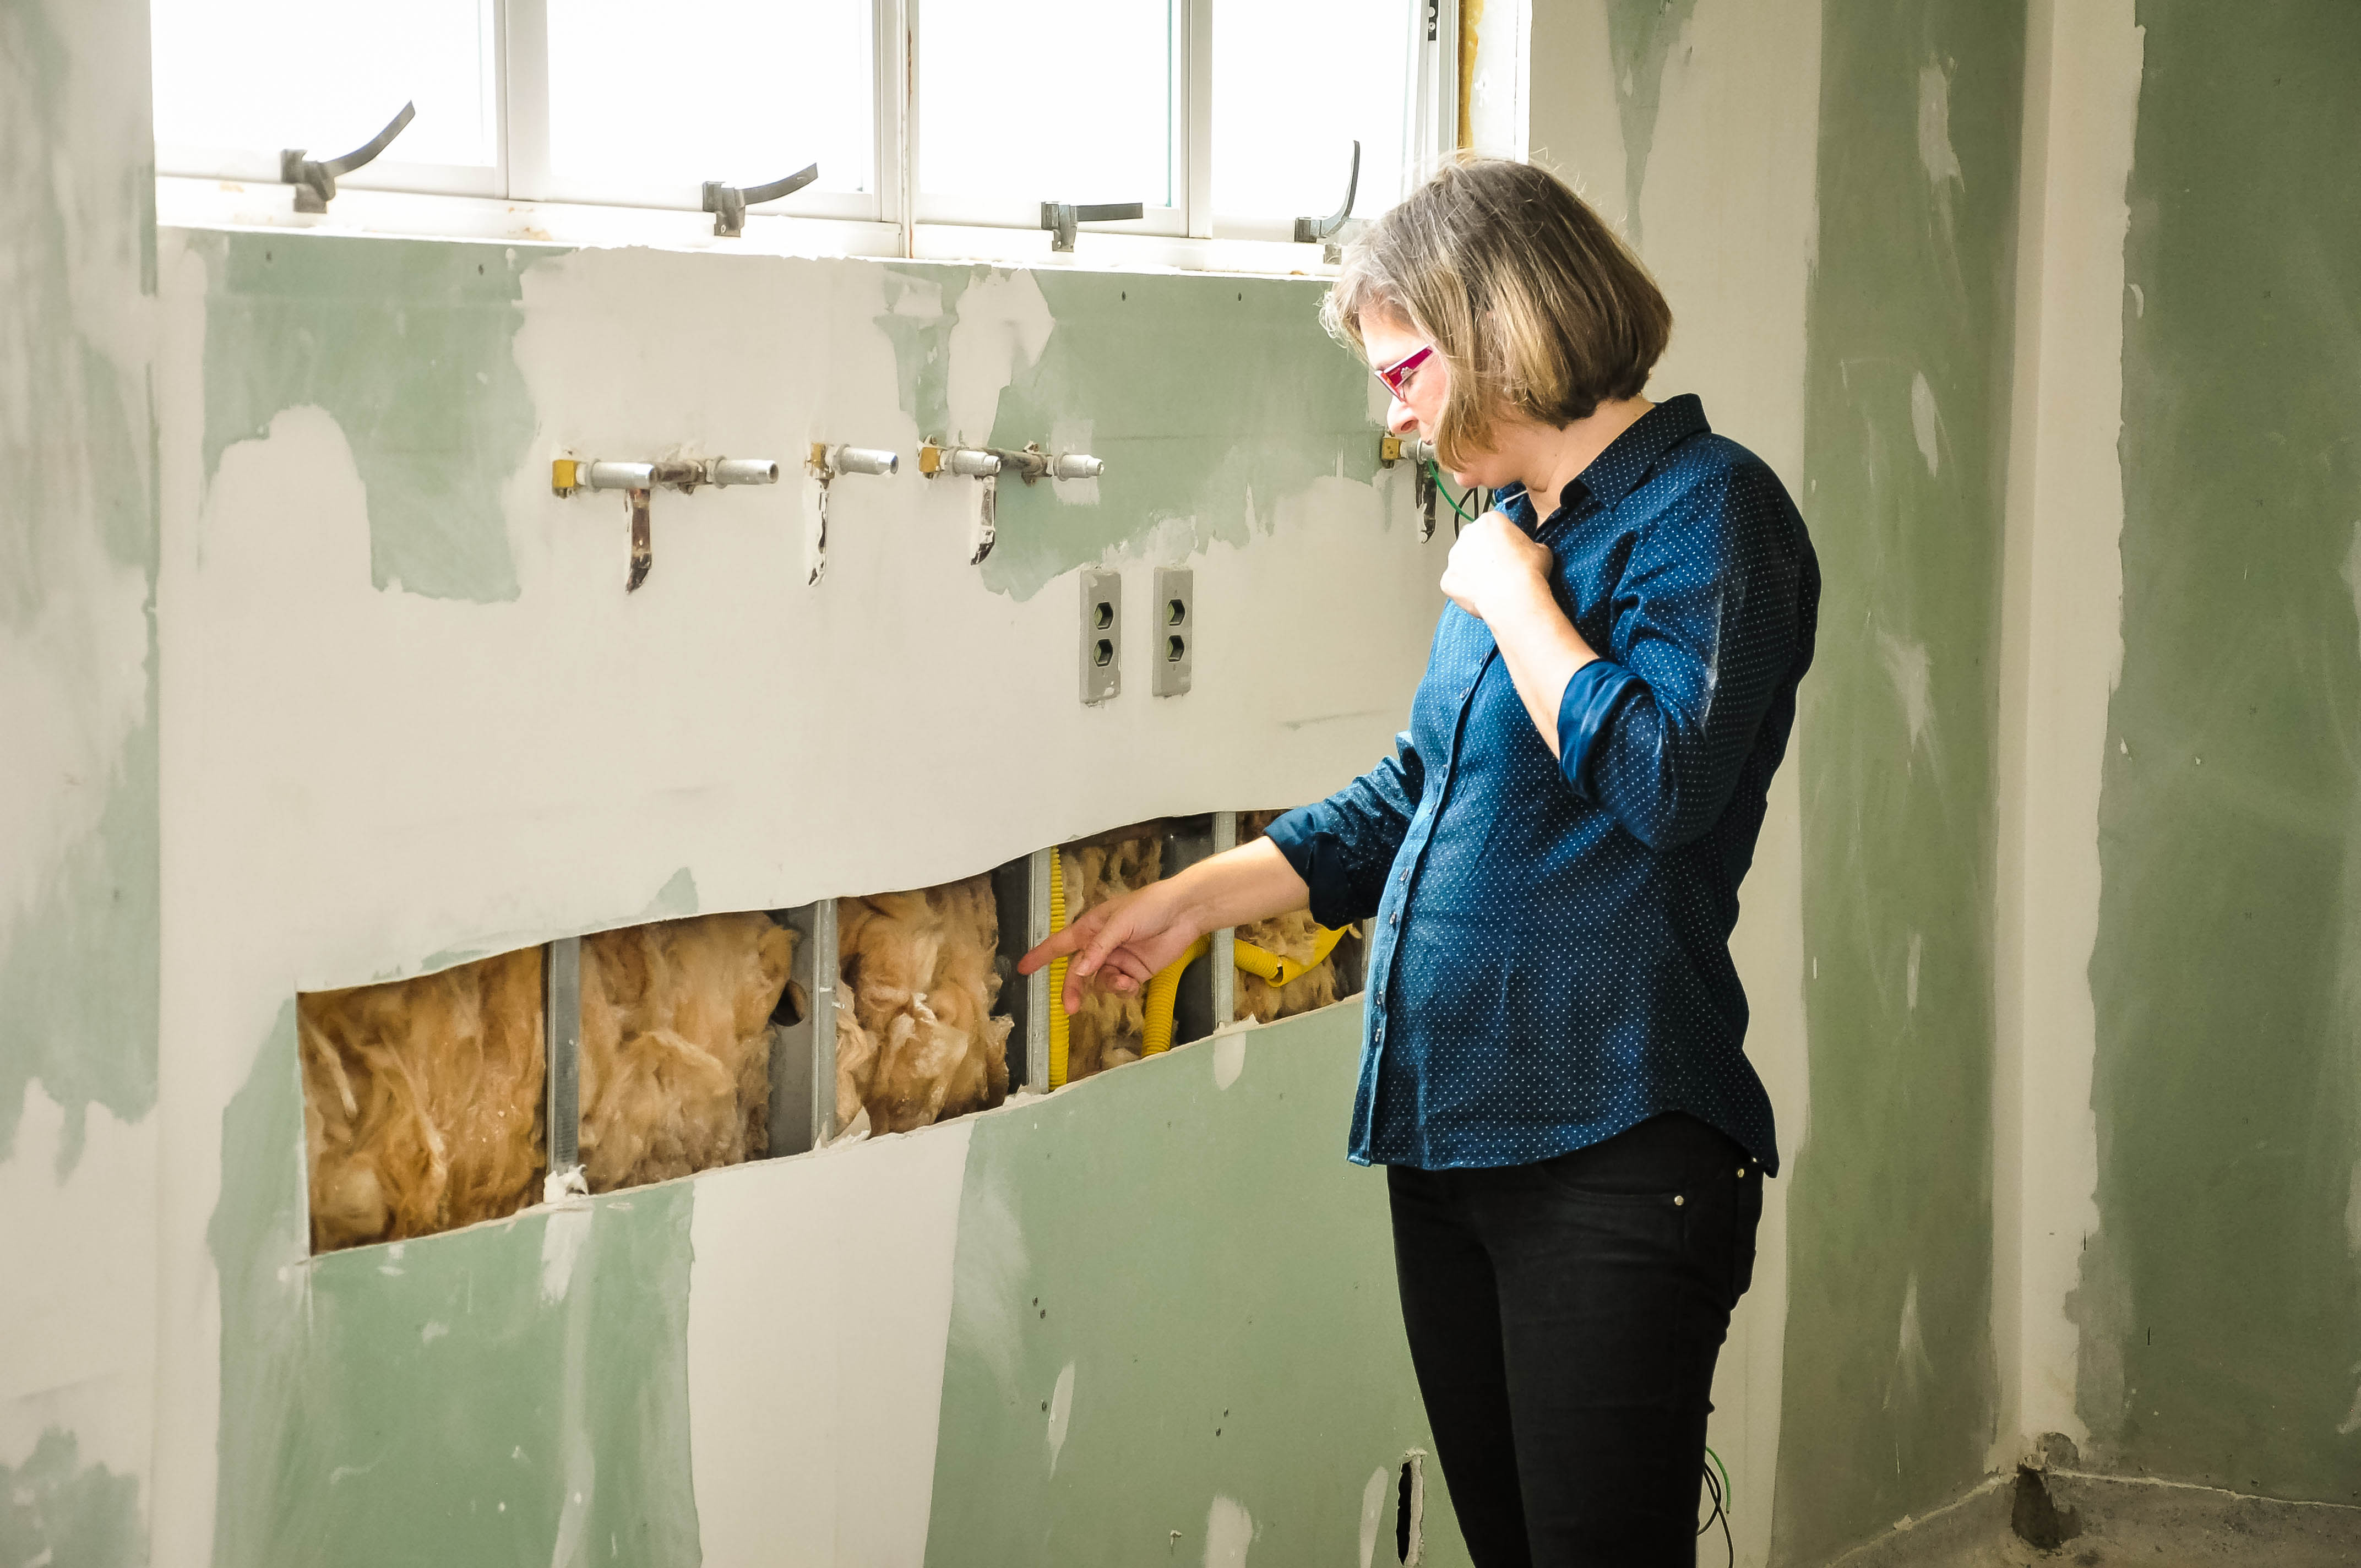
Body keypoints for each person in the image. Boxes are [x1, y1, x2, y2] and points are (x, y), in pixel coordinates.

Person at [1018, 156, 1820, 1566]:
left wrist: (1515, 604)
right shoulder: (1513, 535)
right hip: (1451, 1137)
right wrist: (1190, 902)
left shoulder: (1711, 510)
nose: (1392, 414)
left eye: (1403, 372)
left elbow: (1666, 782)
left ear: (1498, 330)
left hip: (1613, 1140)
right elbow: (1420, 791)